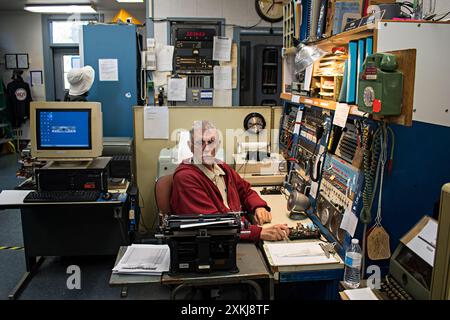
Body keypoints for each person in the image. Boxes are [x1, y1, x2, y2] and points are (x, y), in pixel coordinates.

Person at [170, 120, 290, 242]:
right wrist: (258, 232)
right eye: (200, 143)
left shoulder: (222, 167)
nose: (207, 148)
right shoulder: (185, 178)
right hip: (217, 242)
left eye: (211, 141)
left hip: (237, 231)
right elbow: (214, 223)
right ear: (190, 146)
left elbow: (246, 191)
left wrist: (258, 207)